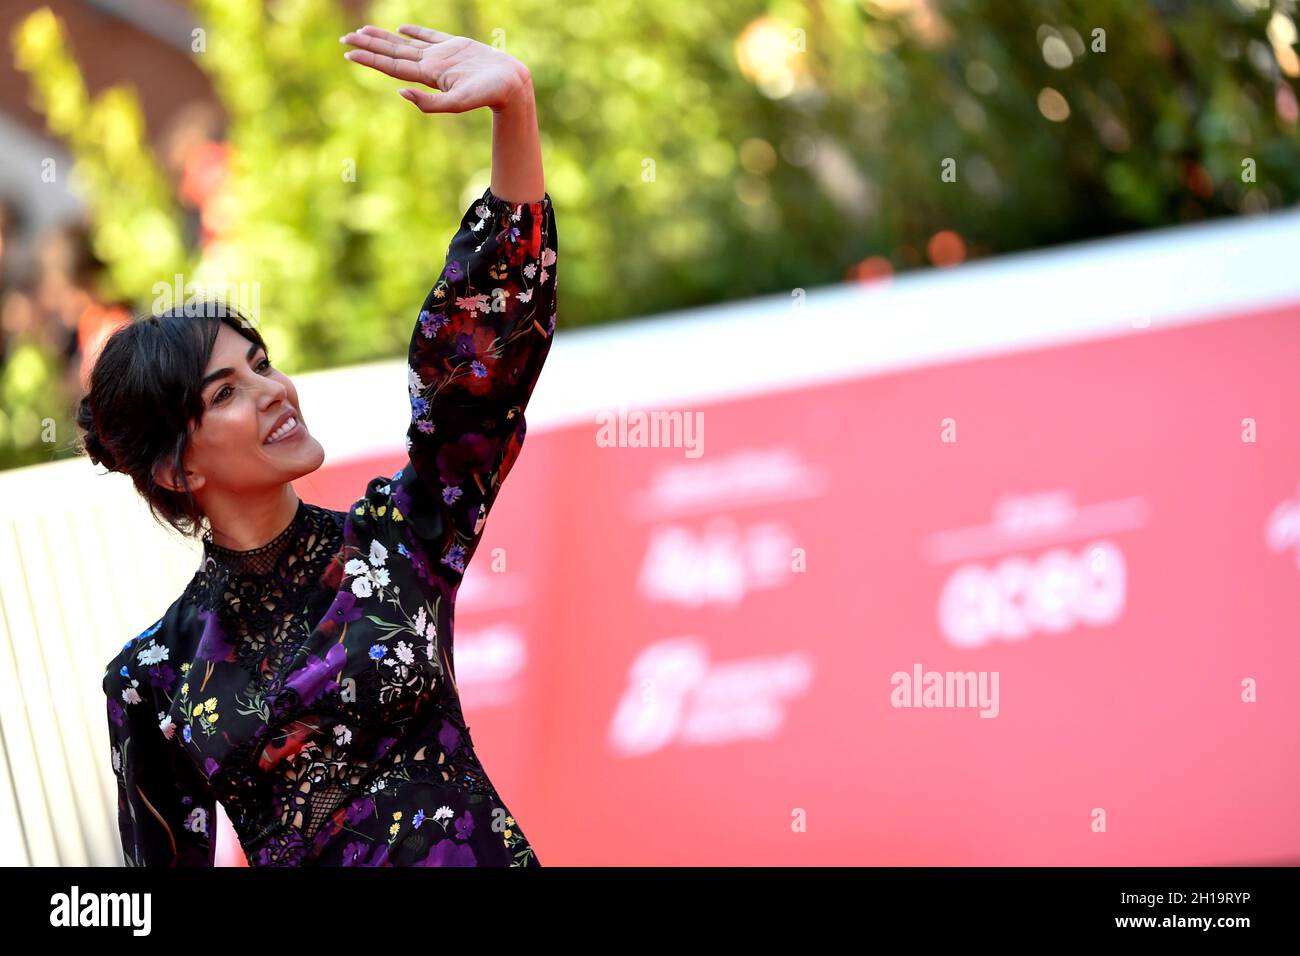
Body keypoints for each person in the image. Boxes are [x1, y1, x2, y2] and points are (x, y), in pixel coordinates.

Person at [83, 24, 556, 867]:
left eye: (262, 365)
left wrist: (514, 108)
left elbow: (479, 372)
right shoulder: (155, 676)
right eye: (227, 391)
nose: (274, 391)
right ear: (177, 465)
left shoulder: (400, 539)